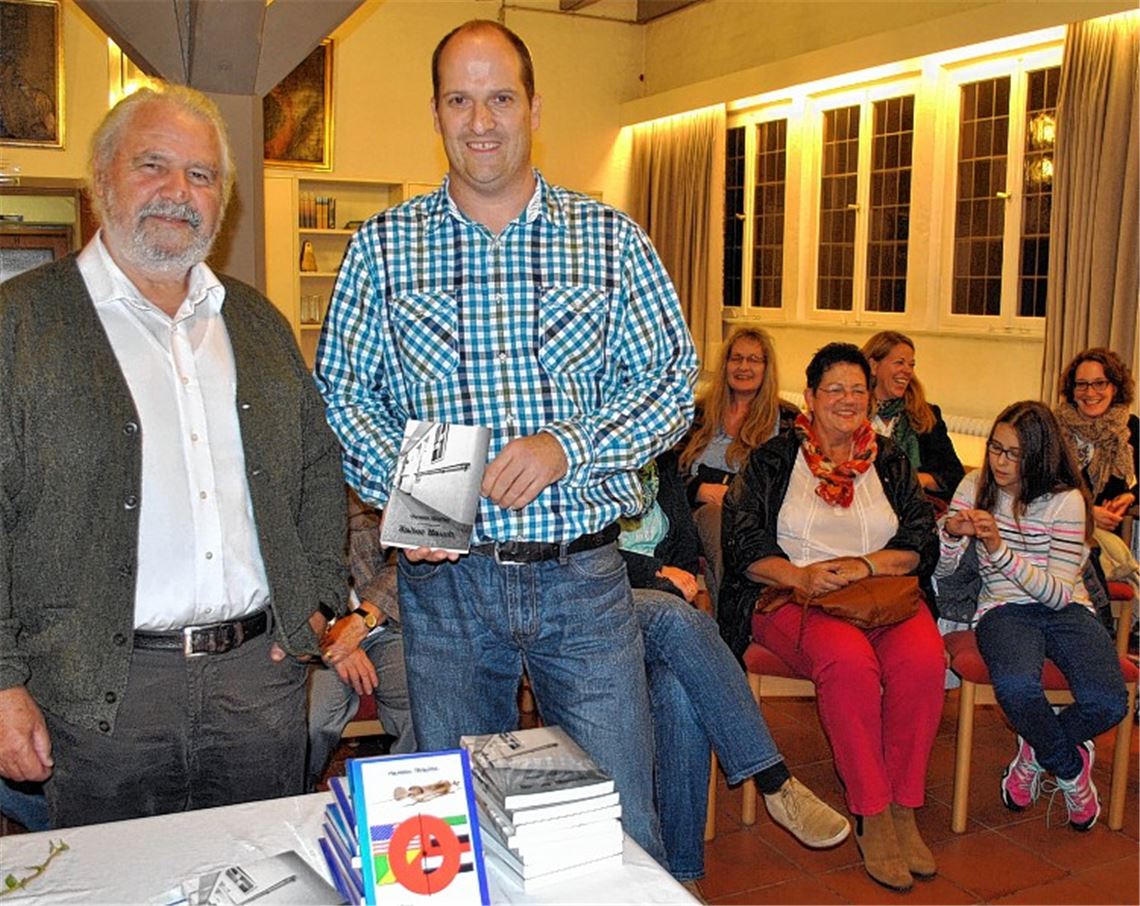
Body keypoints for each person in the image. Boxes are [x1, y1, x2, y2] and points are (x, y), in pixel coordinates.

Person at [314, 21, 698, 865]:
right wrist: (423, 499)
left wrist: (568, 446)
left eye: (499, 98)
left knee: (620, 821)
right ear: (436, 113)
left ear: (533, 108)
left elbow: (673, 383)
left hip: (582, 581)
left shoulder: (611, 240)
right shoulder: (383, 247)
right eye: (460, 99)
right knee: (454, 834)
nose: (480, 121)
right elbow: (342, 394)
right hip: (446, 590)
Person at [0, 84, 347, 829]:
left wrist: (314, 598)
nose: (178, 192)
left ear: (223, 200)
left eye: (201, 175)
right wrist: (2, 683)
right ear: (101, 179)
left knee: (266, 870)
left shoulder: (255, 323)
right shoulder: (20, 323)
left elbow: (319, 469)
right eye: (152, 165)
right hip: (99, 697)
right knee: (115, 879)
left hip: (259, 685)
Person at [721, 342, 943, 893]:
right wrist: (800, 576)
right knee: (848, 664)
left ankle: (903, 807)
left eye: (858, 390)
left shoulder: (889, 460)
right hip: (793, 597)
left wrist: (865, 565)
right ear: (811, 397)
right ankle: (871, 811)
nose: (848, 400)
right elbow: (742, 544)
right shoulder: (773, 460)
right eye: (835, 389)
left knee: (924, 661)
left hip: (881, 593)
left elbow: (921, 539)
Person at [936, 401, 1128, 831]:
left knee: (1109, 701)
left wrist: (998, 548)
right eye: (995, 448)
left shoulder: (1067, 501)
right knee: (1017, 687)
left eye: (1014, 454)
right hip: (1003, 609)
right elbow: (944, 573)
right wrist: (949, 534)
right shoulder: (974, 485)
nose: (1000, 462)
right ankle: (1069, 768)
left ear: (1040, 456)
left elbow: (1059, 595)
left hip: (1067, 609)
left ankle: (1036, 749)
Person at [678, 327, 799, 610]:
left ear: (766, 368)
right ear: (725, 365)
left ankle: (725, 614)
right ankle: (734, 612)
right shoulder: (696, 413)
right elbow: (669, 473)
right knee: (715, 516)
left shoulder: (788, 418)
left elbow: (790, 481)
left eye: (754, 360)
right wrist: (699, 488)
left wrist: (731, 492)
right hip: (697, 514)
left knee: (729, 523)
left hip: (758, 519)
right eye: (736, 358)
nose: (744, 367)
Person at [306, 491, 415, 791]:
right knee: (311, 720)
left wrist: (361, 622)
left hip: (387, 623)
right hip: (312, 637)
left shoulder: (369, 480)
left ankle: (411, 796)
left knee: (422, 702)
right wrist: (334, 637)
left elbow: (406, 556)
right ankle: (298, 794)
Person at [861, 330, 964, 504]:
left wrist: (922, 479)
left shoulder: (925, 416)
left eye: (911, 365)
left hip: (910, 509)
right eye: (899, 363)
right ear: (873, 366)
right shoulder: (852, 413)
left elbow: (954, 477)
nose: (907, 371)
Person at [1053, 348, 1137, 536]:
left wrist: (1130, 496)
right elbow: (1039, 489)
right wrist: (1086, 514)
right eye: (1081, 384)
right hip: (1061, 532)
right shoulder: (1053, 428)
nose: (1090, 392)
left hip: (1110, 539)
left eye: (1100, 383)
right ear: (1072, 390)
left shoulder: (1130, 427)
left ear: (1114, 388)